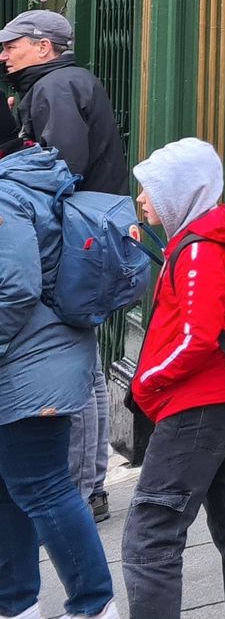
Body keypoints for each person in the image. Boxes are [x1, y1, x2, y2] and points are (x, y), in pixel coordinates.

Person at [124, 138, 225, 619]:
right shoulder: (210, 239)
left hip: (195, 405)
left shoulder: (199, 250)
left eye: (151, 188)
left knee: (150, 534)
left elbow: (198, 337)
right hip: (224, 398)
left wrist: (146, 381)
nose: (141, 198)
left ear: (179, 192)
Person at [0, 10, 124, 525]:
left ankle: (76, 489)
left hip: (72, 243)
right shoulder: (67, 82)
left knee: (72, 371)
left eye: (11, 45)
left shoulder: (55, 87)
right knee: (88, 367)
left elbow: (59, 169)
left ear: (44, 46)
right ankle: (88, 486)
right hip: (89, 238)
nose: (4, 55)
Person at [0, 138, 118, 619]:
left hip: (31, 365)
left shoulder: (6, 194)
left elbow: (14, 286)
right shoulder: (26, 183)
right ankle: (15, 603)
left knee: (43, 485)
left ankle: (93, 606)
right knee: (14, 486)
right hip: (39, 357)